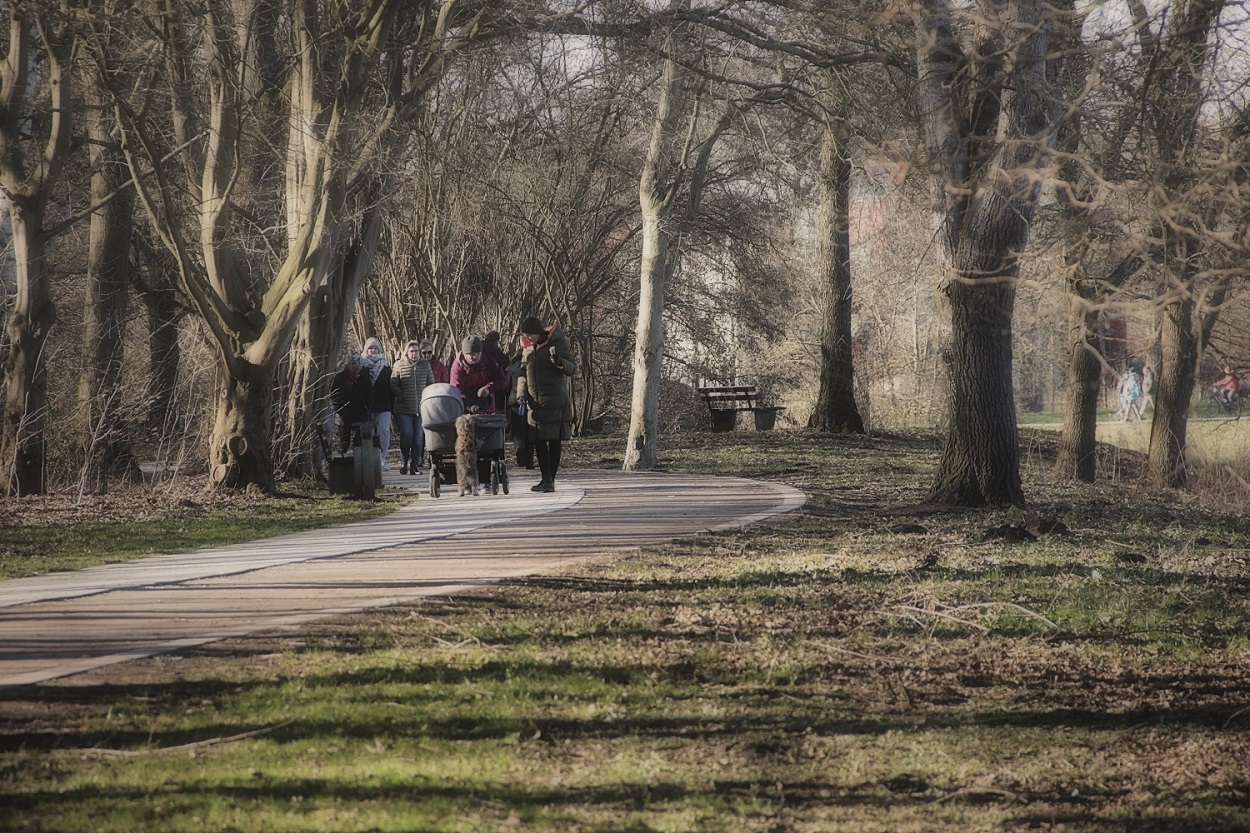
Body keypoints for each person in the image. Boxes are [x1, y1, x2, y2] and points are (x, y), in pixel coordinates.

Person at [517, 315, 577, 493]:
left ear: (538, 333)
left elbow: (572, 368)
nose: (528, 338)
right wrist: (521, 394)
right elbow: (522, 373)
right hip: (535, 403)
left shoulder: (557, 344)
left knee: (554, 441)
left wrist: (559, 363)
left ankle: (550, 480)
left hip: (554, 401)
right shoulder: (527, 349)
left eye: (530, 335)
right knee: (539, 441)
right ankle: (545, 478)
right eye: (526, 335)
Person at [390, 340, 435, 475]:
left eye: (416, 351)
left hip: (421, 408)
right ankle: (404, 461)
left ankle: (414, 464)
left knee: (418, 436)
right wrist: (401, 395)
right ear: (407, 352)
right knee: (407, 434)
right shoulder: (399, 365)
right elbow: (393, 384)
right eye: (411, 351)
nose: (414, 354)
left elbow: (431, 383)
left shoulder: (425, 365)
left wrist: (427, 399)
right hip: (404, 408)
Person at [450, 335, 507, 414]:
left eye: (478, 353)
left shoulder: (489, 360)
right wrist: (470, 405)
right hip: (465, 406)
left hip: (486, 402)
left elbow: (502, 380)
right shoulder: (458, 366)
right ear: (464, 353)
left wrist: (488, 388)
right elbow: (456, 390)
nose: (475, 356)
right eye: (471, 354)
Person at [329, 352, 373, 454]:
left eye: (358, 369)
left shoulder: (364, 376)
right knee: (344, 443)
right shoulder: (340, 377)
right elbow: (334, 396)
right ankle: (344, 463)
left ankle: (359, 464)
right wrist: (339, 409)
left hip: (360, 414)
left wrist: (368, 409)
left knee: (359, 443)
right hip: (344, 416)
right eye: (354, 369)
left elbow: (369, 394)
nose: (356, 371)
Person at [362, 337, 393, 470]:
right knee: (368, 434)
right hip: (365, 406)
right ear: (366, 349)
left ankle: (382, 458)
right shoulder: (361, 366)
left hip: (383, 406)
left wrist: (392, 408)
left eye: (375, 348)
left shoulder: (385, 368)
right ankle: (369, 461)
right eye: (370, 348)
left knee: (384, 431)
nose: (373, 350)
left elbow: (390, 388)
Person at [506, 336, 535, 470]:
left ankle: (520, 452)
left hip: (515, 402)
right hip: (531, 402)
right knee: (530, 431)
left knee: (518, 432)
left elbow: (507, 386)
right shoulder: (533, 364)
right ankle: (529, 461)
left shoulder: (512, 367)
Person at [482, 330, 512, 413]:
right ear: (496, 340)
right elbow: (505, 362)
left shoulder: (478, 348)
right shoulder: (496, 351)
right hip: (494, 385)